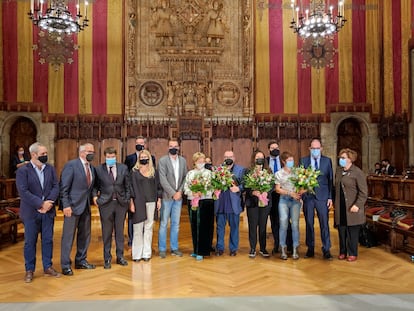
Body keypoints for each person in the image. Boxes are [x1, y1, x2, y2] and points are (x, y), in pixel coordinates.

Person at [16, 142, 61, 283]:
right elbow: (23, 191)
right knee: (30, 242)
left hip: (48, 211)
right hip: (31, 212)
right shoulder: (23, 171)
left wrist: (48, 203)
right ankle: (29, 269)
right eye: (43, 154)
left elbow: (56, 186)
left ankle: (48, 266)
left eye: (46, 153)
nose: (45, 156)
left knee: (47, 240)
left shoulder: (50, 169)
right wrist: (40, 203)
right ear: (33, 154)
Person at [60, 143, 96, 276]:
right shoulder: (71, 165)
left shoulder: (91, 167)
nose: (92, 153)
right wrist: (66, 205)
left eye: (93, 151)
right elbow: (64, 187)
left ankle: (81, 260)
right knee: (68, 237)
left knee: (85, 235)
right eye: (89, 151)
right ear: (82, 152)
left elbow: (89, 188)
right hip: (72, 207)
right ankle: (65, 265)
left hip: (85, 206)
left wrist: (94, 198)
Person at [93, 147, 130, 269]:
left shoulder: (123, 168)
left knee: (120, 232)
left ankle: (120, 257)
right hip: (106, 205)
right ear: (105, 157)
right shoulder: (98, 169)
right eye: (108, 157)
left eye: (112, 156)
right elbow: (94, 186)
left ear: (116, 156)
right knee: (107, 233)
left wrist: (127, 199)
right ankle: (107, 259)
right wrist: (94, 197)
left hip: (120, 204)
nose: (110, 159)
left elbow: (127, 186)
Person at [299, 138, 334, 260]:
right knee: (309, 223)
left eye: (317, 148)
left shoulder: (327, 161)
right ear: (309, 149)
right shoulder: (303, 161)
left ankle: (326, 249)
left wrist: (330, 197)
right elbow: (300, 179)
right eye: (313, 148)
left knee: (324, 224)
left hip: (323, 197)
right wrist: (302, 195)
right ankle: (310, 248)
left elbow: (330, 180)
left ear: (321, 149)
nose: (315, 150)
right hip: (308, 197)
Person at [334, 148, 368, 262]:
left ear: (350, 159)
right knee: (342, 230)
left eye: (343, 158)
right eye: (340, 158)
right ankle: (342, 251)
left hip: (352, 207)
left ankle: (352, 252)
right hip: (340, 206)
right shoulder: (338, 171)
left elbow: (364, 192)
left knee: (352, 231)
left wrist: (357, 205)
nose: (341, 160)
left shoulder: (357, 172)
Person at [130, 149, 161, 262]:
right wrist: (131, 202)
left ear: (149, 158)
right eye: (141, 157)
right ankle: (137, 254)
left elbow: (158, 187)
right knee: (138, 228)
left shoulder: (154, 171)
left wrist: (159, 200)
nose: (143, 159)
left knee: (148, 227)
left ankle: (146, 253)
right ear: (139, 159)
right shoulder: (134, 172)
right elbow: (130, 188)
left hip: (151, 201)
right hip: (138, 202)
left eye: (145, 157)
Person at [158, 139, 188, 258]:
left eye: (175, 146)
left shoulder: (183, 161)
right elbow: (162, 179)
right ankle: (162, 249)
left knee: (176, 224)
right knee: (164, 223)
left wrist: (180, 191)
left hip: (178, 198)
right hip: (167, 197)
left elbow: (186, 177)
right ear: (167, 148)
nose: (173, 148)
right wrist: (173, 193)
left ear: (179, 147)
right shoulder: (162, 161)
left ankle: (174, 248)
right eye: (171, 146)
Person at [124, 136, 156, 247]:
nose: (140, 145)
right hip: (136, 195)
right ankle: (131, 239)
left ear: (145, 144)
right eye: (138, 143)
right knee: (134, 221)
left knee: (148, 224)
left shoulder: (151, 158)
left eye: (141, 143)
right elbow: (126, 175)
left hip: (149, 197)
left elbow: (154, 180)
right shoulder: (129, 158)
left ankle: (146, 248)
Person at [214, 150, 246, 257]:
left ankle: (233, 248)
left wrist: (238, 188)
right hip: (221, 202)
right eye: (226, 156)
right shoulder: (218, 169)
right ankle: (220, 247)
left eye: (230, 156)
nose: (228, 158)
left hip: (234, 203)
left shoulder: (240, 170)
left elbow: (245, 184)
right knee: (220, 227)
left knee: (234, 227)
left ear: (234, 158)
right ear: (223, 158)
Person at [183, 152, 214, 261]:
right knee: (194, 226)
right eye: (198, 161)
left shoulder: (209, 173)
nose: (201, 162)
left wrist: (203, 193)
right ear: (194, 162)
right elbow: (185, 188)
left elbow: (212, 188)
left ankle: (203, 250)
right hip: (193, 201)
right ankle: (196, 250)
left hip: (206, 201)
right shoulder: (190, 173)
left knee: (204, 227)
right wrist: (193, 193)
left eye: (202, 160)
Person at [275, 151, 304, 260]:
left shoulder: (298, 173)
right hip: (284, 200)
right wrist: (289, 193)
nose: (292, 162)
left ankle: (295, 248)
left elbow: (303, 186)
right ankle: (283, 247)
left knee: (295, 224)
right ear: (283, 161)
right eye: (289, 161)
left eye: (292, 160)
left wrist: (302, 191)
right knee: (283, 222)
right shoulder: (279, 173)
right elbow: (277, 189)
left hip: (295, 201)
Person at [266, 140, 293, 254]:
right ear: (269, 150)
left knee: (286, 219)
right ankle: (277, 244)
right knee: (274, 220)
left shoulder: (284, 160)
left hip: (284, 193)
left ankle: (290, 245)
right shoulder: (266, 162)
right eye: (272, 148)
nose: (275, 149)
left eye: (276, 147)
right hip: (271, 194)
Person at [245, 150, 272, 258]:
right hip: (252, 203)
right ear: (254, 159)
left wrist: (266, 192)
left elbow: (272, 185)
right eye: (257, 157)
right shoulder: (248, 171)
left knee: (263, 225)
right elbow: (246, 186)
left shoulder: (268, 171)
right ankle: (252, 248)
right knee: (252, 226)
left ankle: (263, 248)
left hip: (264, 202)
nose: (259, 159)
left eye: (261, 157)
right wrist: (253, 192)